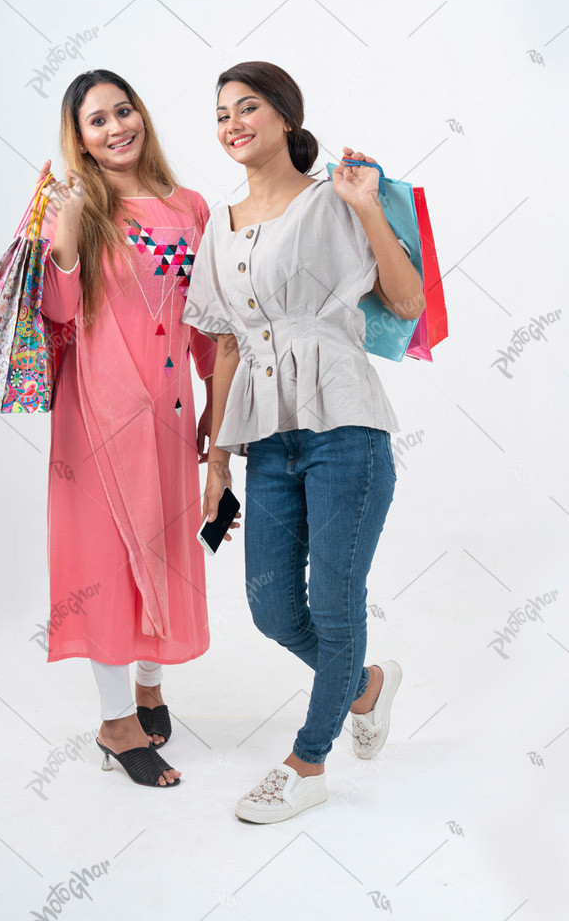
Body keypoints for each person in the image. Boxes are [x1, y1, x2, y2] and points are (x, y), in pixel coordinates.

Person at [182, 61, 424, 822]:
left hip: (346, 428)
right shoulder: (216, 230)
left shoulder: (334, 202)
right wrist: (216, 465)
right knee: (273, 609)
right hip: (267, 442)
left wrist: (367, 206)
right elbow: (223, 349)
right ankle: (364, 686)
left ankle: (307, 762)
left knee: (334, 599)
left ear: (286, 116)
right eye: (221, 113)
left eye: (248, 107)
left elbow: (407, 298)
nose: (233, 124)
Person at [39, 69, 237, 788]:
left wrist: (221, 404)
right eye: (97, 121)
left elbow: (209, 319)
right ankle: (116, 721)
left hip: (169, 408)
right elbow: (58, 314)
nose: (117, 126)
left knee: (162, 542)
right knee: (108, 560)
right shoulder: (77, 204)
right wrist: (61, 243)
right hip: (95, 414)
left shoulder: (190, 207)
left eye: (124, 110)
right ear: (81, 140)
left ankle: (150, 689)